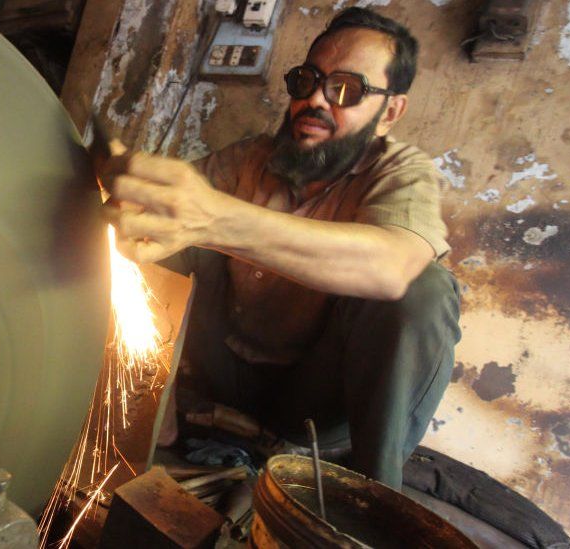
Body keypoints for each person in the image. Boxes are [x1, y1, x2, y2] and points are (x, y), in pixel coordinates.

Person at [100, 7, 461, 489]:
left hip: (310, 398)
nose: (315, 100)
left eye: (345, 90)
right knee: (157, 226)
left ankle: (374, 501)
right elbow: (164, 222)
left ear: (389, 112)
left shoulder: (401, 174)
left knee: (425, 291)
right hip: (223, 369)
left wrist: (212, 219)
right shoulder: (252, 158)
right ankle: (146, 408)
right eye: (307, 80)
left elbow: (394, 268)